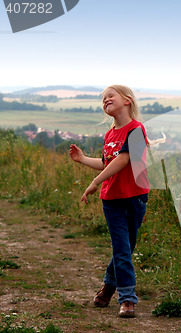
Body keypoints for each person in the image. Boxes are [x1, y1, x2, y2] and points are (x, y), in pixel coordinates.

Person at [69, 85, 149, 318]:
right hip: (112, 199)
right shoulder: (110, 134)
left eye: (110, 96)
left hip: (135, 197)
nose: (105, 100)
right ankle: (127, 299)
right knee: (122, 249)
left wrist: (94, 182)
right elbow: (108, 163)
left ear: (127, 100)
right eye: (103, 99)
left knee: (126, 249)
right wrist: (83, 159)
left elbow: (124, 159)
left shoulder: (136, 129)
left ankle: (108, 286)